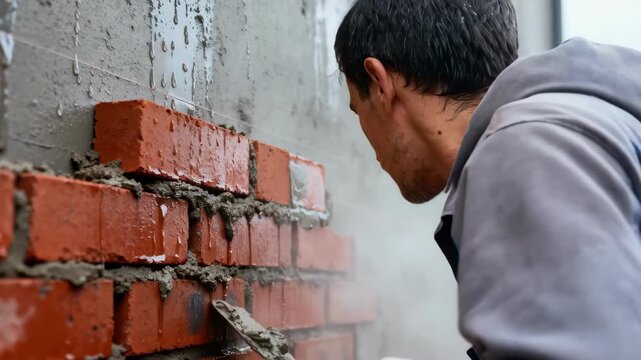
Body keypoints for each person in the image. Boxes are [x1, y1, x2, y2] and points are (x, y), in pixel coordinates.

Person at [334, 0, 641, 359]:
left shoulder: (523, 149)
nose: (369, 144)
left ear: (380, 82)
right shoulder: (575, 126)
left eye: (358, 108)